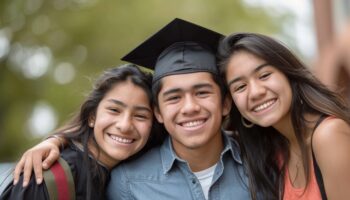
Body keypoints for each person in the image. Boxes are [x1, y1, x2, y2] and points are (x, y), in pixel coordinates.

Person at [11, 18, 252, 199]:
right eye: (173, 97)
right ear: (160, 113)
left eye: (202, 93)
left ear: (226, 103)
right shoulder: (120, 182)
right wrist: (55, 140)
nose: (189, 107)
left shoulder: (263, 161)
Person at [217, 32, 350, 199]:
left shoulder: (329, 135)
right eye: (240, 87)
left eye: (264, 75)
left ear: (288, 74)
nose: (256, 92)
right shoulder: (276, 149)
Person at [1, 64, 161, 199]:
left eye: (140, 115)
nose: (125, 125)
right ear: (92, 116)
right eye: (114, 110)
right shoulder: (50, 176)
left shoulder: (138, 175)